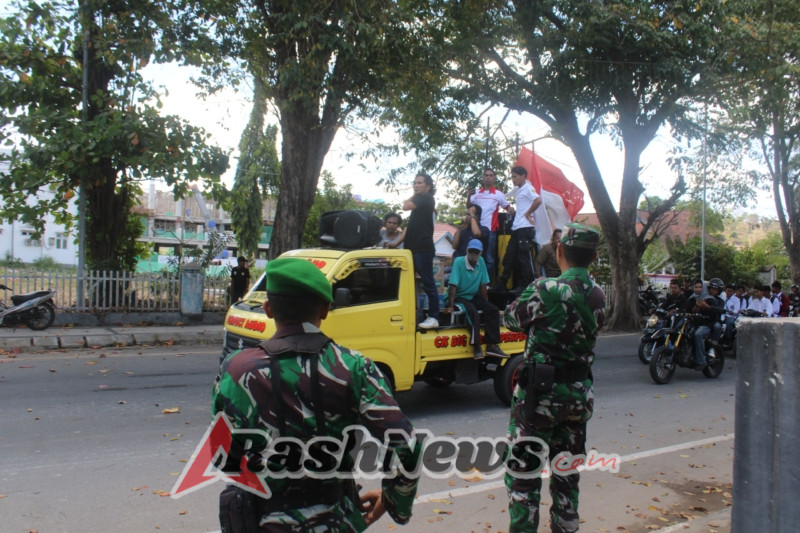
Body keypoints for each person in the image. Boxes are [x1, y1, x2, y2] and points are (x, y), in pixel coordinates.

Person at [214, 258, 420, 532]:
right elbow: (406, 445)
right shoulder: (355, 367)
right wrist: (394, 502)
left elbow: (222, 454)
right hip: (335, 521)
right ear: (325, 309)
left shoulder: (236, 369)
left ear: (268, 309)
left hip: (264, 522)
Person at [502, 223, 606, 533]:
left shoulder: (545, 289)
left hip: (538, 399)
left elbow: (511, 318)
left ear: (559, 251)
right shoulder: (599, 295)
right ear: (595, 257)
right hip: (576, 398)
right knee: (567, 477)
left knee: (524, 476)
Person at [443, 238, 508, 359]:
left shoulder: (481, 261)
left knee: (492, 309)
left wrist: (486, 304)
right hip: (458, 296)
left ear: (480, 253)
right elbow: (453, 285)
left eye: (476, 252)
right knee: (472, 312)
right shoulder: (459, 261)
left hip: (471, 295)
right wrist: (450, 306)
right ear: (467, 250)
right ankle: (476, 345)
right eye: (471, 251)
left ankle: (492, 345)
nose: (473, 254)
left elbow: (483, 285)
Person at [494, 166, 541, 293]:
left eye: (515, 177)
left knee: (523, 258)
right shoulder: (520, 190)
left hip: (525, 228)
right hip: (516, 227)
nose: (513, 180)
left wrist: (528, 213)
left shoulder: (528, 188)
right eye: (512, 177)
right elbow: (506, 194)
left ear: (523, 176)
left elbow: (538, 200)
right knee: (508, 256)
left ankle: (524, 285)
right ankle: (502, 283)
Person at [403, 172, 440, 329]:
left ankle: (434, 317)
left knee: (428, 282)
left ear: (428, 186)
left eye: (420, 183)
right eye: (415, 182)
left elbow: (404, 206)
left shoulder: (426, 198)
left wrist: (413, 194)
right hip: (412, 247)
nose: (416, 185)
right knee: (411, 282)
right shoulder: (421, 199)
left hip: (422, 248)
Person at [469, 167, 515, 281]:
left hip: (491, 230)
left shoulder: (498, 194)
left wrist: (514, 211)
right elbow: (468, 207)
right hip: (476, 229)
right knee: (474, 256)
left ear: (494, 178)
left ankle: (486, 283)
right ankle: (473, 281)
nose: (488, 177)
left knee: (489, 258)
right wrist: (468, 195)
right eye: (486, 175)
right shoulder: (476, 193)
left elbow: (508, 207)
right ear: (483, 178)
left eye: (490, 175)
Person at [689, 278, 725, 369]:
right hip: (698, 322)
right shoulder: (702, 297)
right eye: (711, 288)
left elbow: (719, 310)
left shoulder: (719, 301)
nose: (713, 291)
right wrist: (697, 306)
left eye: (715, 289)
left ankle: (701, 360)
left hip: (710, 323)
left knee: (698, 334)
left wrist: (707, 306)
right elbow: (691, 310)